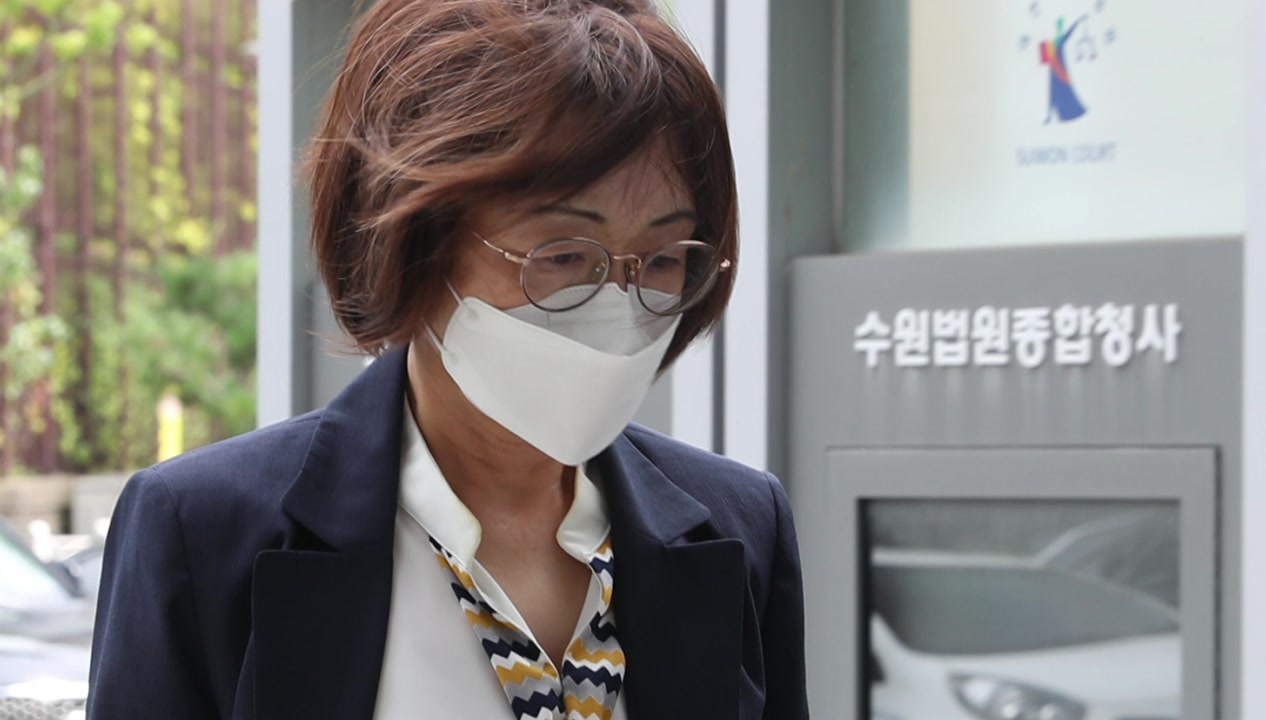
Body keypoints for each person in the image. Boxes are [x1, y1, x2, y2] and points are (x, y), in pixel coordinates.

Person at [85, 1, 808, 718]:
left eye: (663, 259)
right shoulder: (204, 532)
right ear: (416, 243)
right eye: (562, 255)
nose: (618, 302)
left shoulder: (742, 525)